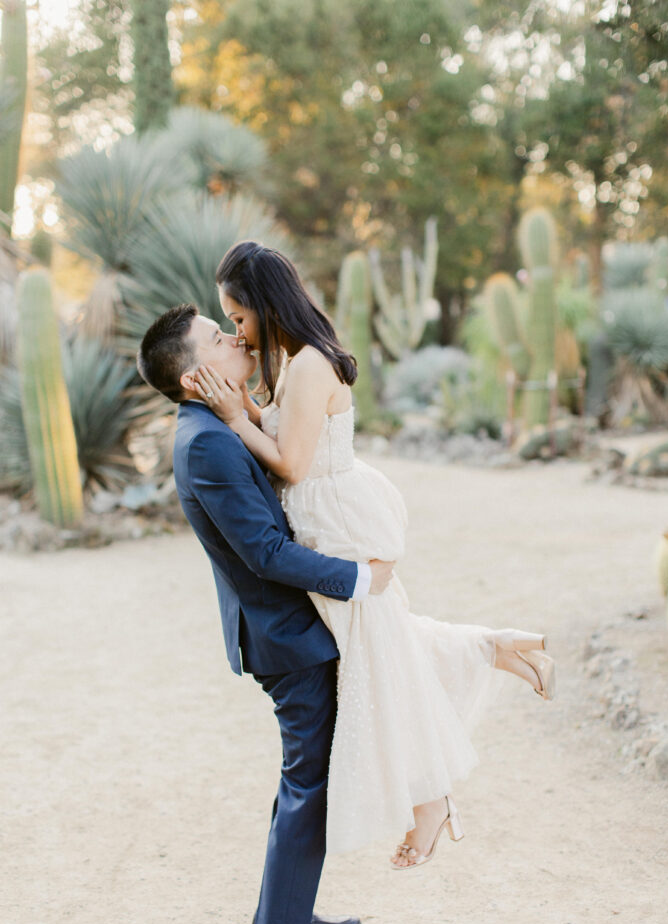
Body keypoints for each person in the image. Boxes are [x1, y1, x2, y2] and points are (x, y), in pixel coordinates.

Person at [193, 240, 556, 871]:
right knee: (383, 648)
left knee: (375, 661)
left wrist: (235, 418)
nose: (238, 332)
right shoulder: (297, 360)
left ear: (264, 305)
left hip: (335, 524)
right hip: (325, 521)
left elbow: (292, 462)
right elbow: (284, 428)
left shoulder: (310, 365)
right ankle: (493, 649)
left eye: (240, 317)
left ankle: (431, 798)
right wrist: (246, 407)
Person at [137, 304, 396, 924]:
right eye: (217, 338)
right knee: (308, 784)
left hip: (287, 631)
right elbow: (265, 552)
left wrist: (247, 411)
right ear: (193, 376)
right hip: (286, 639)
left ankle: (290, 910)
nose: (234, 338)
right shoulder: (207, 444)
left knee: (303, 781)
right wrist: (358, 578)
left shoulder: (214, 427)